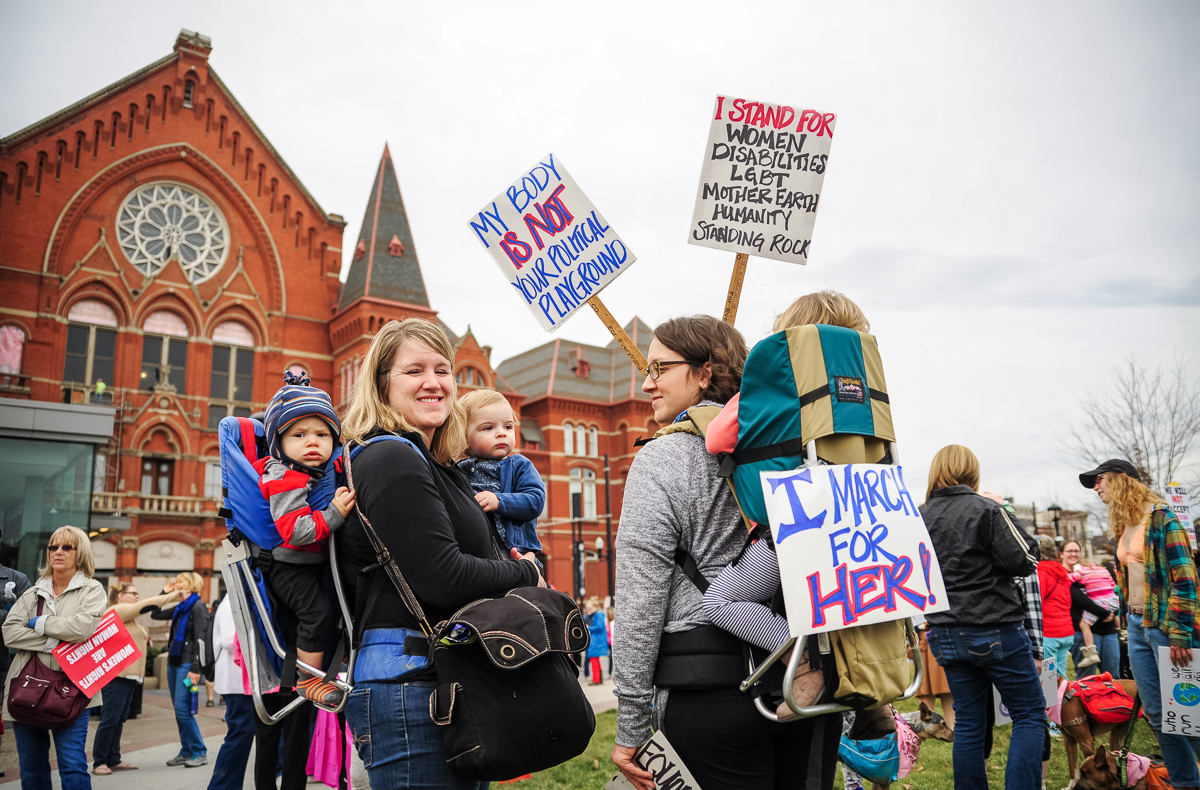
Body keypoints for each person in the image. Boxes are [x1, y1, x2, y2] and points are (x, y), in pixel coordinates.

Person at [615, 315, 835, 790]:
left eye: (659, 369)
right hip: (806, 688)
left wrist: (631, 725)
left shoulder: (660, 458)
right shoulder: (792, 445)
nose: (647, 382)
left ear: (703, 372)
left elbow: (639, 602)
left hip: (708, 693)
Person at [336, 318, 543, 790]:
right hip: (411, 687)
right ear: (382, 385)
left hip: (442, 681)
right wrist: (525, 573)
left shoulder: (438, 463)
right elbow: (442, 576)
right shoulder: (391, 458)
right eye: (414, 371)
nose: (433, 382)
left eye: (442, 369)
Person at [701, 291, 874, 721]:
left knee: (721, 602)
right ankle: (875, 700)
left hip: (796, 524)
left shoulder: (769, 387)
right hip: (863, 519)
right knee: (856, 608)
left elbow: (716, 440)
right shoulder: (864, 395)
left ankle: (806, 661)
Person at [921, 445, 1044, 790]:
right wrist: (1005, 511)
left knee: (970, 724)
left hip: (946, 631)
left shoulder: (919, 516)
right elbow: (1026, 560)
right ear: (972, 472)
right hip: (995, 626)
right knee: (1029, 715)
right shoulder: (988, 510)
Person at [1083, 458, 1200, 789]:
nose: (1096, 487)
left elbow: (1185, 579)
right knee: (1159, 717)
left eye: (1100, 479)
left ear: (1121, 480)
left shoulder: (1162, 518)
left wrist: (1179, 635)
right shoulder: (1126, 524)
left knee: (1188, 717)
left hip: (1167, 629)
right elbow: (1128, 579)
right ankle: (1184, 783)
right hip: (1135, 627)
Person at [258, 370, 355, 707]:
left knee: (337, 605)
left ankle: (331, 662)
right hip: (291, 567)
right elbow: (295, 531)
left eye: (322, 434)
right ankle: (308, 681)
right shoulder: (284, 476)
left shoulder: (316, 470)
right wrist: (335, 515)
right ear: (279, 445)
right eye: (299, 435)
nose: (313, 442)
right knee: (317, 614)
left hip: (312, 563)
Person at [2, 526, 107, 790]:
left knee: (72, 767)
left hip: (73, 692)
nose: (58, 552)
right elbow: (9, 633)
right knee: (32, 771)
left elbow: (81, 629)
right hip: (26, 689)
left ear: (79, 553)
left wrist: (39, 622)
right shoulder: (32, 592)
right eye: (53, 547)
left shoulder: (92, 590)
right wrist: (55, 641)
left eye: (66, 547)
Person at [91, 582, 183, 775]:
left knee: (118, 720)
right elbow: (146, 606)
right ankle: (99, 761)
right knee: (109, 720)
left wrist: (163, 592)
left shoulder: (129, 619)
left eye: (137, 593)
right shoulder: (116, 611)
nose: (136, 596)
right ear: (119, 596)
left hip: (130, 677)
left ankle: (113, 759)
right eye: (132, 593)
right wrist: (173, 595)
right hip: (117, 677)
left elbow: (146, 608)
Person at [455, 388, 546, 561]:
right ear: (464, 437)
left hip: (512, 551)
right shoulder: (458, 470)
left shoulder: (519, 465)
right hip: (474, 553)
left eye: (508, 426)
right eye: (488, 428)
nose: (501, 433)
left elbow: (535, 500)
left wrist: (499, 501)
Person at [151, 571, 211, 768]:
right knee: (179, 710)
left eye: (182, 580)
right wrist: (164, 592)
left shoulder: (198, 607)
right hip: (174, 662)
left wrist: (195, 669)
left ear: (192, 584)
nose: (177, 582)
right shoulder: (180, 607)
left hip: (187, 665)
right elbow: (155, 613)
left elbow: (201, 639)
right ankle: (186, 751)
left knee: (184, 711)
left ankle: (199, 751)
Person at [206, 596, 256, 790]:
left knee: (242, 731)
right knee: (239, 731)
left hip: (240, 680)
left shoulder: (234, 601)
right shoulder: (231, 603)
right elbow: (229, 641)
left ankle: (228, 784)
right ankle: (222, 785)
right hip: (236, 681)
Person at [0, 529, 32, 779]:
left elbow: (26, 618)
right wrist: (6, 615)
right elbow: (11, 618)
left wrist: (9, 618)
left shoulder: (15, 579)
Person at [1068, 555, 1120, 671]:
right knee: (1092, 676)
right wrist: (1106, 613)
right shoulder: (1103, 571)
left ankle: (1091, 653)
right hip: (1112, 601)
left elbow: (1068, 579)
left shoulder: (1081, 571)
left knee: (1084, 624)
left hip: (1105, 629)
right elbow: (1112, 586)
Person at [1037, 536, 1075, 680]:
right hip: (1065, 630)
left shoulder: (1041, 571)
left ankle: (1054, 703)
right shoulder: (1062, 572)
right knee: (1061, 677)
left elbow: (1037, 602)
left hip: (1049, 632)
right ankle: (1064, 702)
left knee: (1048, 680)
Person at [584, 597, 608, 685]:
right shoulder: (596, 615)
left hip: (597, 641)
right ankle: (598, 678)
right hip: (597, 640)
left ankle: (596, 679)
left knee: (594, 660)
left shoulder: (599, 616)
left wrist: (589, 627)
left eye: (590, 609)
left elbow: (600, 627)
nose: (589, 611)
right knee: (595, 661)